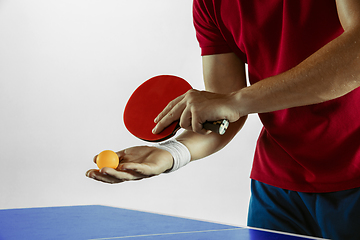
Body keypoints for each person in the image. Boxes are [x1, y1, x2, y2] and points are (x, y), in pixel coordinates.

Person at [86, 0, 360, 239]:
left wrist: (234, 102)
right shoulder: (210, 3)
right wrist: (171, 153)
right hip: (278, 187)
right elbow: (222, 109)